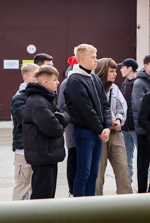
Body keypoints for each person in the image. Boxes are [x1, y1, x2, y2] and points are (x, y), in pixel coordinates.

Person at [64, 44, 111, 197]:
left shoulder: (95, 78)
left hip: (98, 132)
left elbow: (105, 104)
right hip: (85, 132)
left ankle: (91, 207)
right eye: (93, 57)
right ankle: (80, 210)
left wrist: (107, 127)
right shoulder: (75, 80)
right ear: (82, 59)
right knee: (83, 173)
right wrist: (100, 130)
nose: (96, 60)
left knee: (93, 174)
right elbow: (85, 110)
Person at [23, 65, 70, 202]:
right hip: (42, 155)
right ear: (45, 82)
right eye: (55, 80)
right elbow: (55, 129)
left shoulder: (47, 99)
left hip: (48, 154)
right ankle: (38, 222)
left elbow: (66, 116)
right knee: (42, 195)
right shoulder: (38, 102)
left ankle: (44, 221)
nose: (58, 82)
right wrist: (59, 122)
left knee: (48, 194)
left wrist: (59, 119)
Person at [94, 58, 132, 196]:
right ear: (103, 71)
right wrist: (105, 124)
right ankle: (96, 207)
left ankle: (127, 204)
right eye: (112, 71)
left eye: (116, 70)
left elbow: (123, 108)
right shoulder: (93, 87)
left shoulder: (115, 88)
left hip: (116, 133)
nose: (115, 74)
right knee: (98, 173)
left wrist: (119, 121)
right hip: (99, 135)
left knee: (123, 170)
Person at [132, 54, 150, 193]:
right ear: (146, 66)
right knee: (143, 165)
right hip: (144, 130)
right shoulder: (139, 83)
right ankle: (142, 192)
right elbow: (141, 106)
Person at [9, 62, 38, 201]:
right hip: (23, 150)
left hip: (36, 149)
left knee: (34, 187)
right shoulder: (19, 98)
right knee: (22, 186)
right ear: (25, 79)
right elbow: (26, 120)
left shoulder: (38, 95)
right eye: (34, 77)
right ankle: (14, 219)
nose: (37, 79)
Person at [56, 59, 78, 196]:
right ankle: (72, 189)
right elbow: (63, 105)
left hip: (80, 126)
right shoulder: (67, 82)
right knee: (73, 156)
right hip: (73, 126)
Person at [118, 58, 139, 178]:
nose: (120, 70)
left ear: (130, 68)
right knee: (126, 157)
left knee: (142, 157)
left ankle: (144, 184)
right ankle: (128, 182)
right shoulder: (124, 84)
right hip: (125, 128)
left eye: (123, 67)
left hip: (136, 128)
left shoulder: (139, 83)